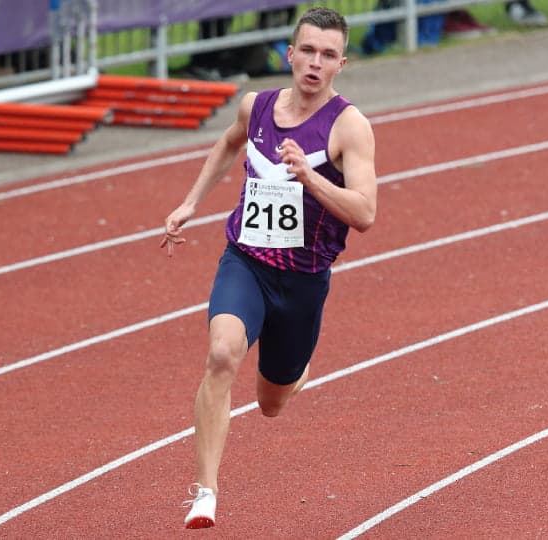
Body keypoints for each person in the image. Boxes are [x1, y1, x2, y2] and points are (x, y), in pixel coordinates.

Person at [161, 6, 377, 529]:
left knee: (271, 402)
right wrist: (191, 202)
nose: (314, 63)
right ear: (290, 54)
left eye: (327, 55)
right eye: (307, 51)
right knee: (221, 354)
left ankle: (293, 371)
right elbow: (227, 145)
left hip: (303, 282)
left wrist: (310, 177)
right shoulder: (255, 106)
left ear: (340, 64)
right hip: (247, 262)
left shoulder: (349, 127)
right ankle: (205, 493)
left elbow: (365, 213)